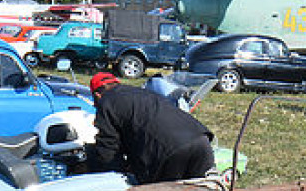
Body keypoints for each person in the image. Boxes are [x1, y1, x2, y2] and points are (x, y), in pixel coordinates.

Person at [86, 72, 216, 183]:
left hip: (169, 152)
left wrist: (113, 178)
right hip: (200, 140)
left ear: (97, 95)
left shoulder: (106, 101)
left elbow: (108, 148)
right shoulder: (141, 92)